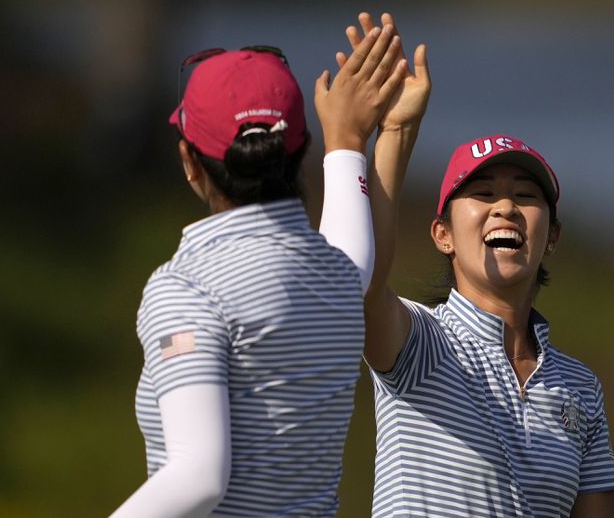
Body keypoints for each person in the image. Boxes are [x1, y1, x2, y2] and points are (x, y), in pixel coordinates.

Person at [112, 25, 408, 517]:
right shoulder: (337, 277)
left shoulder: (184, 291)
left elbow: (197, 477)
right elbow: (354, 248)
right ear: (298, 150)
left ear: (189, 161)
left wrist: (347, 140)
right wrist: (349, 141)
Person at [337, 13, 614, 517]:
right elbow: (360, 284)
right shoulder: (422, 343)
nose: (506, 208)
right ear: (442, 234)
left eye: (526, 197)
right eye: (483, 194)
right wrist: (397, 133)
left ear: (551, 237)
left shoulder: (580, 388)